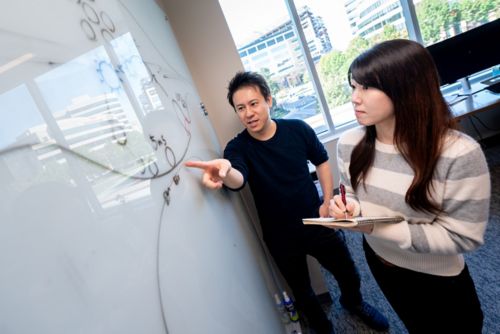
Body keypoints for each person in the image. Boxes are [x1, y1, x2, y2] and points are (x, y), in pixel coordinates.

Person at [185, 71, 389, 334]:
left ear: (269, 100)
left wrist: (327, 201)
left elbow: (321, 160)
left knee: (348, 271)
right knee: (303, 292)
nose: (248, 113)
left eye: (254, 103)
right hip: (279, 235)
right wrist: (225, 172)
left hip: (317, 222)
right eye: (241, 108)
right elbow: (238, 179)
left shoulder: (297, 129)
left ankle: (354, 302)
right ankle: (322, 327)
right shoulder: (237, 149)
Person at [328, 39, 490, 334]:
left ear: (405, 87)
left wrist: (375, 228)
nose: (354, 98)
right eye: (353, 87)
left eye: (366, 87)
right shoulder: (349, 144)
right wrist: (347, 205)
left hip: (437, 276)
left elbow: (465, 236)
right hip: (380, 261)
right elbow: (349, 191)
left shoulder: (457, 153)